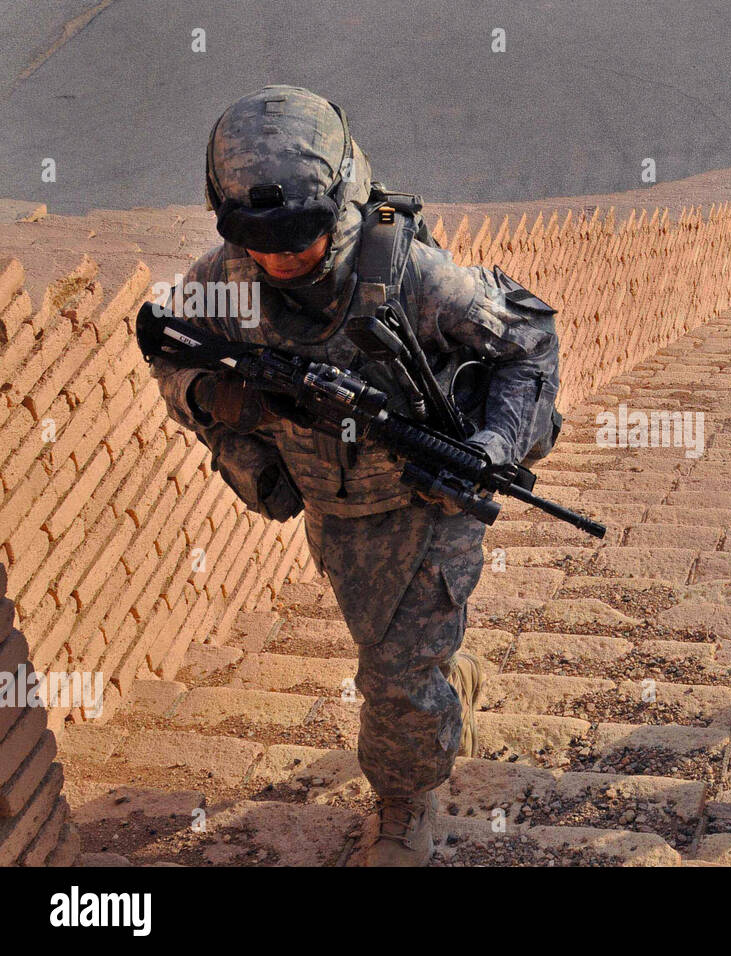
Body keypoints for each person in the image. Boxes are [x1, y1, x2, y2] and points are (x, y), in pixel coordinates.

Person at [147, 85, 561, 863]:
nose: (279, 259)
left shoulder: (411, 276)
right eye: (256, 239)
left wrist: (495, 446)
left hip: (430, 496)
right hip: (334, 512)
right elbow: (165, 344)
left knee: (391, 673)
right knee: (386, 642)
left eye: (298, 236)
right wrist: (212, 394)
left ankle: (405, 804)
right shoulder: (221, 281)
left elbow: (528, 341)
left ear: (338, 196)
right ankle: (445, 679)